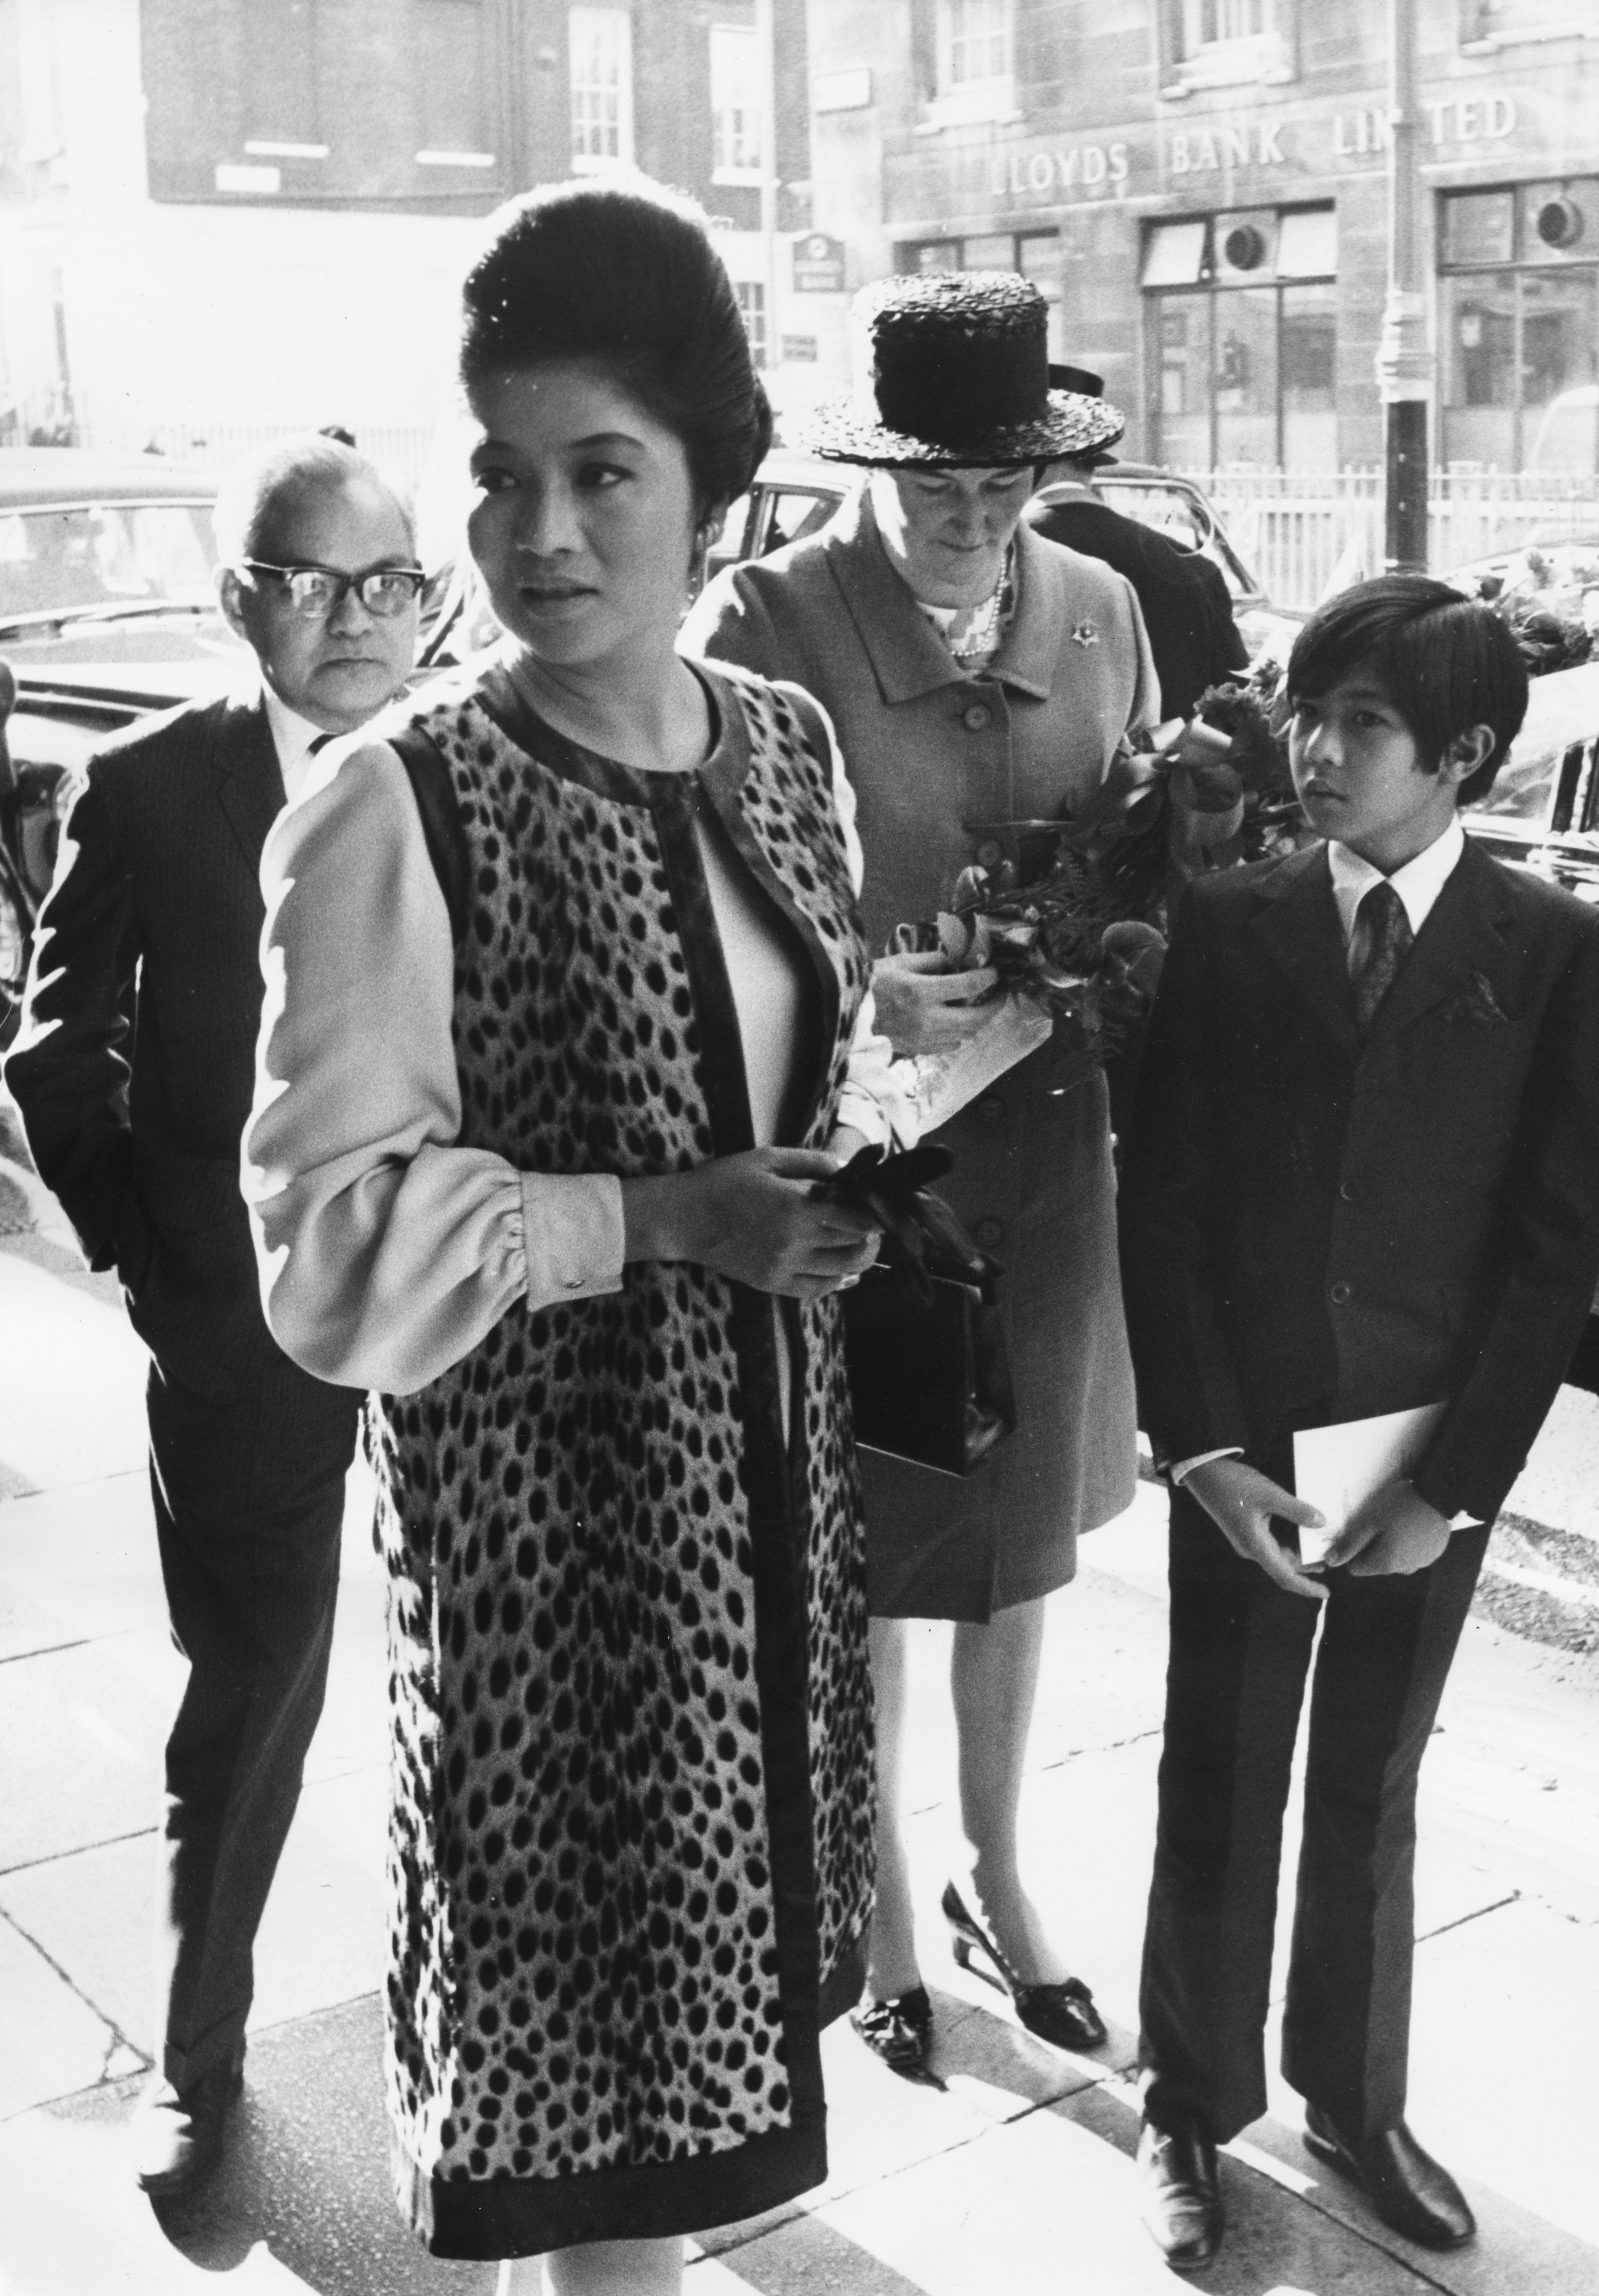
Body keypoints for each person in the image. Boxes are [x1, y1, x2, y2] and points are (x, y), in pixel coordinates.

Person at [243, 178, 901, 2295]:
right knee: (592, 2157)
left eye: (598, 471)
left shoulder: (784, 750)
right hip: (552, 1594)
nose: (535, 532)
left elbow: (787, 1054)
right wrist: (660, 1219)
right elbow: (323, 1249)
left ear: (714, 488)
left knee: (689, 2129)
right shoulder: (398, 801)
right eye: (498, 474)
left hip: (767, 1542)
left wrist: (855, 1152)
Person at [686, 272, 1229, 2072]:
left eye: (1007, 487)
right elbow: (690, 916)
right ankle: (880, 1897)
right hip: (862, 1184)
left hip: (1049, 1179)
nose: (976, 523)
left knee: (1013, 1556)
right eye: (938, 489)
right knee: (868, 1555)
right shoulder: (762, 621)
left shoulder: (1097, 607)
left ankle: (997, 1867)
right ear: (873, 468)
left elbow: (1143, 858)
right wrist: (858, 981)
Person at [1117, 574, 1599, 2271]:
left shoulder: (1547, 950)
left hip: (1414, 1463)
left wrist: (1453, 1487)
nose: (1313, 752)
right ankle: (1188, 2104)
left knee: (1368, 1783)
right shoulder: (1229, 922)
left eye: (1360, 726)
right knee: (1218, 1769)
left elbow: (1552, 1248)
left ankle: (1350, 2096)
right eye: (1303, 714)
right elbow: (1163, 1205)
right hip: (1246, 1453)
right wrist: (1200, 1452)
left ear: (1460, 754)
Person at [5, 435, 422, 2194]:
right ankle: (203, 2058)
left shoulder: (472, 771)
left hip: (455, 1303)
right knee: (250, 1685)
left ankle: (488, 2043)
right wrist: (156, 1262)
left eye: (387, 584)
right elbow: (55, 1048)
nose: (355, 620)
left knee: (483, 1682)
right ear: (242, 599)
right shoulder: (154, 784)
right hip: (235, 1317)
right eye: (311, 585)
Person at [1025, 364, 1247, 725]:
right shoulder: (1194, 567)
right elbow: (1235, 707)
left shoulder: (1006, 555)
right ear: (1094, 460)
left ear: (1027, 459)